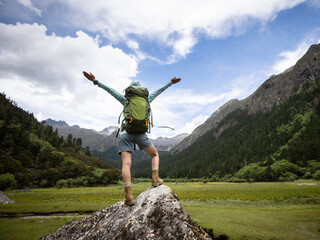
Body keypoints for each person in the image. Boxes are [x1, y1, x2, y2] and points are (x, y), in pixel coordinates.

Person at [83, 71, 181, 206]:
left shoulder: (126, 100)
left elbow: (110, 91)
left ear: (131, 91)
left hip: (125, 133)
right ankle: (155, 178)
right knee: (155, 154)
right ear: (141, 91)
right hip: (141, 133)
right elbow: (159, 92)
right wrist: (170, 83)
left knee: (126, 164)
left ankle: (128, 196)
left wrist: (95, 81)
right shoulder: (147, 99)